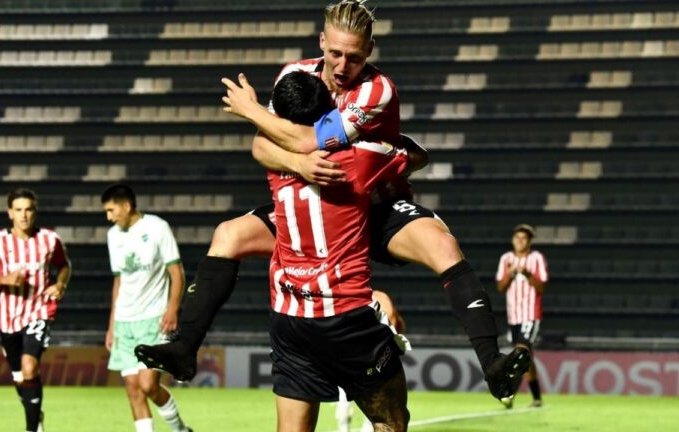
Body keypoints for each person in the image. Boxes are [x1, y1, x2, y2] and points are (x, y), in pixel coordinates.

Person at [137, 0, 529, 402]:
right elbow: (262, 146)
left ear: (370, 51)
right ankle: (185, 347)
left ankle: (491, 364)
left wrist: (254, 112)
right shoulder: (296, 75)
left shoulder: (376, 90)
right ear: (321, 41)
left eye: (354, 57)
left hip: (374, 203)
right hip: (316, 202)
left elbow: (308, 139)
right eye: (335, 53)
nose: (343, 66)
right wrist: (297, 164)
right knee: (228, 234)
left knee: (442, 244)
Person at [267, 70, 412, 431]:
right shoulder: (358, 159)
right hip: (344, 315)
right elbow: (413, 156)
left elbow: (264, 142)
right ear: (328, 111)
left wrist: (255, 113)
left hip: (290, 316)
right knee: (390, 421)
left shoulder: (272, 162)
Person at [0, 188, 71, 432]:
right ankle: (34, 413)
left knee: (30, 367)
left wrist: (60, 285)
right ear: (10, 213)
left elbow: (64, 265)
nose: (24, 215)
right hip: (8, 318)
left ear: (35, 212)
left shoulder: (50, 240)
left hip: (39, 311)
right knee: (20, 377)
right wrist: (3, 279)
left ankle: (31, 429)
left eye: (28, 209)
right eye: (18, 210)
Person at [101, 183, 193, 432]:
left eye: (111, 210)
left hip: (154, 319)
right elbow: (118, 282)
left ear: (127, 206)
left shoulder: (157, 228)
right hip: (124, 322)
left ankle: (180, 429)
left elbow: (177, 273)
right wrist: (112, 326)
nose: (109, 217)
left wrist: (173, 309)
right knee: (133, 390)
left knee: (148, 385)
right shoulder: (113, 236)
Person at [336, 290, 406, 432]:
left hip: (346, 356)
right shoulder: (381, 298)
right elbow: (396, 325)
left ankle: (343, 428)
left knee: (344, 395)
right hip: (372, 357)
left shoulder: (344, 296)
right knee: (376, 401)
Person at [496, 224, 549, 408]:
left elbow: (541, 287)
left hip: (530, 314)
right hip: (514, 316)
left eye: (523, 238)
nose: (519, 241)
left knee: (520, 352)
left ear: (529, 242)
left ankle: (509, 394)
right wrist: (509, 275)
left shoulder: (536, 259)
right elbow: (500, 288)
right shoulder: (506, 259)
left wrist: (527, 274)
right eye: (517, 237)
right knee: (526, 356)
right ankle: (536, 398)